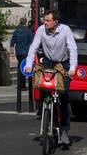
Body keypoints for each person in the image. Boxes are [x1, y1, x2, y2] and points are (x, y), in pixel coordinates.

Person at [25, 8, 78, 147]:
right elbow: (33, 48)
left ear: (56, 22)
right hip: (48, 61)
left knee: (64, 96)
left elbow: (72, 49)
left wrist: (72, 69)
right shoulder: (41, 30)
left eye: (48, 20)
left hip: (63, 63)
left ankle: (65, 130)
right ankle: (45, 111)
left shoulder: (65, 30)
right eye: (44, 20)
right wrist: (29, 65)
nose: (45, 22)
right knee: (44, 88)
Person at [10, 17, 34, 97]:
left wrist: (12, 53)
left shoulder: (16, 31)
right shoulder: (28, 31)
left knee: (20, 67)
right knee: (23, 68)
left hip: (18, 52)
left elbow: (12, 43)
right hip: (26, 52)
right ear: (26, 22)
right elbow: (32, 43)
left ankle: (20, 85)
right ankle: (22, 86)